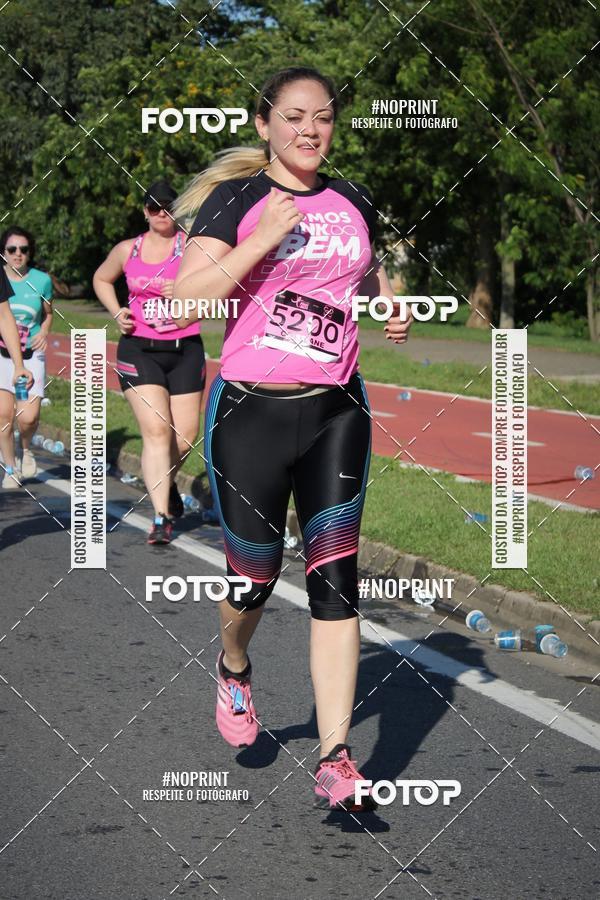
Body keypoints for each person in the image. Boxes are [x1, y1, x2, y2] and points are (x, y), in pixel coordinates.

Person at [173, 67, 411, 810]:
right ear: (265, 123)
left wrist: (387, 308)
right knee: (252, 577)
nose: (310, 130)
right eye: (294, 117)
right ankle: (235, 665)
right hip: (250, 413)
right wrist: (263, 240)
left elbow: (362, 278)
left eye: (324, 119)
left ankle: (337, 756)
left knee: (336, 580)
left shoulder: (353, 200)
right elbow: (187, 299)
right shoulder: (238, 199)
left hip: (338, 411)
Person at [93, 180, 206, 544]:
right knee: (157, 432)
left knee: (185, 436)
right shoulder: (128, 249)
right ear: (144, 211)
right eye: (155, 207)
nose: (162, 213)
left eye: (168, 206)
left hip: (185, 347)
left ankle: (166, 481)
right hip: (138, 349)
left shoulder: (192, 246)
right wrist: (117, 311)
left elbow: (223, 288)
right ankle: (160, 518)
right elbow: (100, 278)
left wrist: (189, 290)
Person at [0, 227, 50, 488]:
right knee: (3, 415)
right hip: (1, 356)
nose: (18, 254)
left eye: (23, 249)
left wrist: (44, 329)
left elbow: (49, 312)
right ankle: (10, 467)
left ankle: (26, 447)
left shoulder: (41, 280)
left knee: (27, 416)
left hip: (28, 356)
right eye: (12, 249)